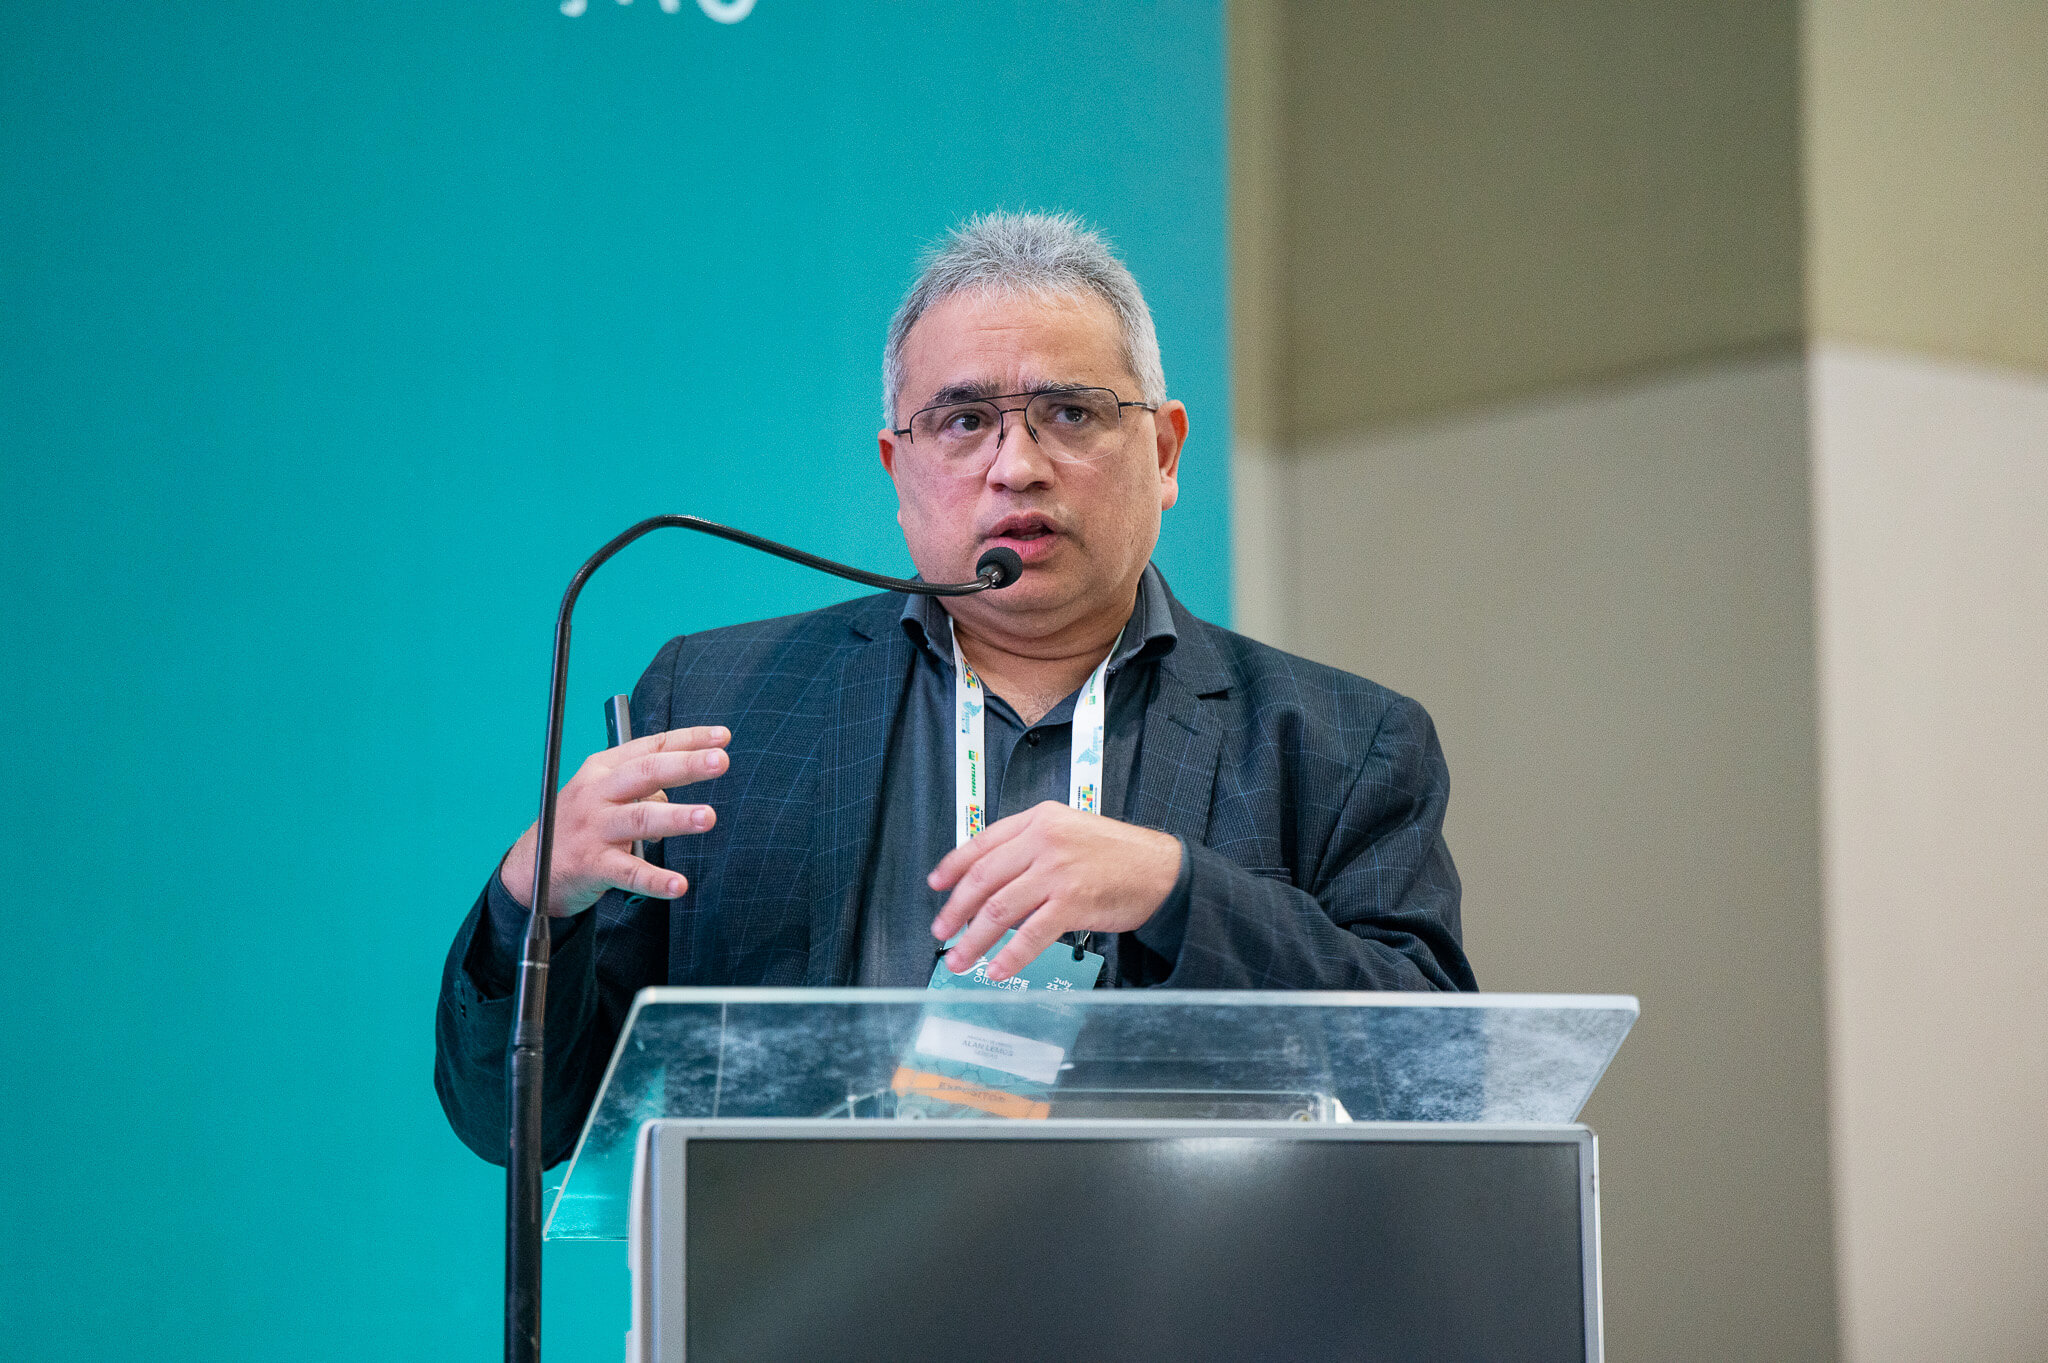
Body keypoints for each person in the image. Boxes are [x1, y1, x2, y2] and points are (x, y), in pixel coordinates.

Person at [435, 211, 1475, 1165]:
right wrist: (537, 896)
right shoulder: (720, 710)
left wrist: (1176, 892)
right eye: (965, 420)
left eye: (1069, 412)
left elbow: (1432, 1084)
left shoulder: (1338, 742)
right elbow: (519, 1124)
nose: (1017, 465)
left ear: (1162, 452)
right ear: (899, 470)